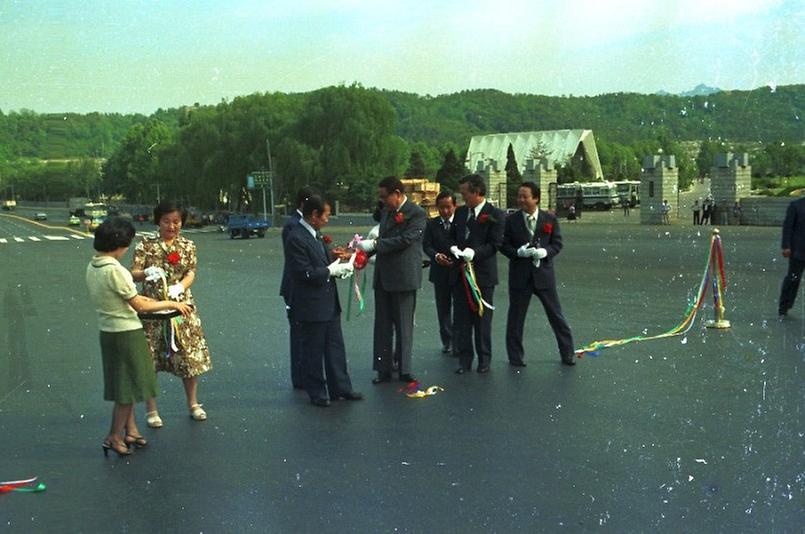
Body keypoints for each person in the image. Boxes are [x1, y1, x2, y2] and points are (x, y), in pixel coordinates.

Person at [86, 217, 191, 457]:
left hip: (109, 331)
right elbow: (139, 305)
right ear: (119, 244)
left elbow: (124, 292)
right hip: (126, 333)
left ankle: (130, 430)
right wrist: (169, 303)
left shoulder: (94, 265)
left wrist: (146, 285)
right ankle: (114, 436)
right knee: (129, 388)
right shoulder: (115, 271)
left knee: (126, 385)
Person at [131, 201, 213, 427]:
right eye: (166, 221)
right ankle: (152, 411)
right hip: (153, 308)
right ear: (158, 221)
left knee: (189, 357)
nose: (171, 226)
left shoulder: (187, 245)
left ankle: (194, 404)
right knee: (150, 360)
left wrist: (181, 287)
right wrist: (146, 273)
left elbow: (191, 272)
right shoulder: (146, 245)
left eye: (176, 221)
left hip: (181, 307)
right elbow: (134, 273)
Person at [284, 195, 363, 406]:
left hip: (327, 302)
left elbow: (321, 261)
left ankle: (341, 388)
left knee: (335, 347)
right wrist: (331, 270)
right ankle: (317, 392)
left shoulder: (314, 234)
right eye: (326, 215)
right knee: (314, 350)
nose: (328, 219)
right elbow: (303, 272)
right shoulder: (296, 237)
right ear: (314, 215)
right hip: (311, 304)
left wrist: (338, 263)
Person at [356, 176, 427, 383]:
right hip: (384, 276)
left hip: (404, 277)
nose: (382, 201)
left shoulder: (417, 213)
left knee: (404, 326)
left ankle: (404, 369)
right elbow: (381, 239)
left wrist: (375, 246)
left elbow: (405, 240)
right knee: (382, 326)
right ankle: (383, 369)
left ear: (397, 194)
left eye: (385, 196)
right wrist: (358, 254)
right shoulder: (387, 211)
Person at [500, 182, 575, 366]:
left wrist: (546, 252)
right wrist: (518, 252)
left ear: (536, 198)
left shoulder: (549, 219)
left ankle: (568, 354)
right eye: (519, 196)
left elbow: (557, 244)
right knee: (516, 318)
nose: (521, 200)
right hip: (520, 276)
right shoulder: (511, 220)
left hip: (544, 276)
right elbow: (503, 245)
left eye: (525, 196)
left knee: (556, 315)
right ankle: (515, 357)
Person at [449, 174, 504, 374]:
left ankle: (484, 359)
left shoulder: (495, 214)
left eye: (465, 193)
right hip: (461, 274)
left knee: (482, 319)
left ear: (477, 192)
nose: (463, 198)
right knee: (462, 320)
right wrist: (453, 248)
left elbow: (495, 244)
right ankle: (464, 360)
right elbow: (453, 236)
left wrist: (476, 253)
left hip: (482, 275)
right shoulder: (462, 212)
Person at [280, 186, 317, 389]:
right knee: (299, 334)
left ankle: (305, 375)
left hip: (302, 285)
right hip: (296, 286)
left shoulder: (302, 223)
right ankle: (300, 378)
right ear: (304, 203)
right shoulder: (294, 226)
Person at [422, 190, 457, 356]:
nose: (445, 211)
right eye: (441, 208)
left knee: (459, 308)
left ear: (454, 206)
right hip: (440, 271)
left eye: (448, 207)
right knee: (443, 309)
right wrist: (436, 255)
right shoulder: (432, 224)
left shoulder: (460, 223)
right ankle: (447, 341)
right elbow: (426, 245)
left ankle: (458, 340)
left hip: (458, 272)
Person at [778, 196, 805, 318]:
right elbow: (788, 226)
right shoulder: (796, 205)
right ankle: (784, 306)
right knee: (793, 278)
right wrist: (786, 246)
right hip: (798, 250)